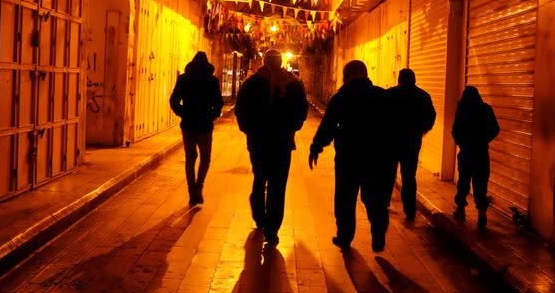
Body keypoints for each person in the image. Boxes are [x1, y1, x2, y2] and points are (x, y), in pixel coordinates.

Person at [308, 60, 394, 252]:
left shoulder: (341, 97)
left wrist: (316, 147)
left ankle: (345, 236)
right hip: (377, 158)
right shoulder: (382, 96)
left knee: (345, 198)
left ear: (347, 75)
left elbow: (328, 126)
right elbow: (393, 128)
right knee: (374, 198)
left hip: (349, 157)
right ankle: (378, 232)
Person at [235, 49, 308, 246]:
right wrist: (292, 127)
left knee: (260, 178)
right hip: (282, 142)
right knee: (278, 184)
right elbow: (302, 110)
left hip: (258, 141)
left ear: (264, 61)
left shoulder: (252, 83)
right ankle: (272, 229)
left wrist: (248, 129)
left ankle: (260, 217)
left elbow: (240, 108)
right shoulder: (292, 84)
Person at [169, 51, 224, 206]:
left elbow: (173, 101)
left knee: (190, 158)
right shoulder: (212, 80)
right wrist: (211, 115)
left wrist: (183, 113)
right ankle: (199, 185)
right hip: (205, 125)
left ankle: (191, 191)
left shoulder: (184, 79)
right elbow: (219, 103)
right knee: (205, 157)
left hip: (188, 125)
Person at [387, 69, 436, 221]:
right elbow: (431, 116)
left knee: (389, 173)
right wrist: (422, 131)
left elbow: (380, 115)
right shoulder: (423, 96)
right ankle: (410, 209)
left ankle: (384, 202)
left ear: (400, 79)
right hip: (412, 142)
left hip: (392, 141)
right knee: (409, 176)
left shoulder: (390, 94)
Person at [451, 86, 500, 230]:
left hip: (466, 152)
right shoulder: (485, 109)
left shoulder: (462, 110)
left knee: (463, 181)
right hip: (481, 152)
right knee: (481, 183)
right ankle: (482, 213)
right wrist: (484, 140)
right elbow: (495, 129)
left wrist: (462, 143)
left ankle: (460, 209)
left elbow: (455, 130)